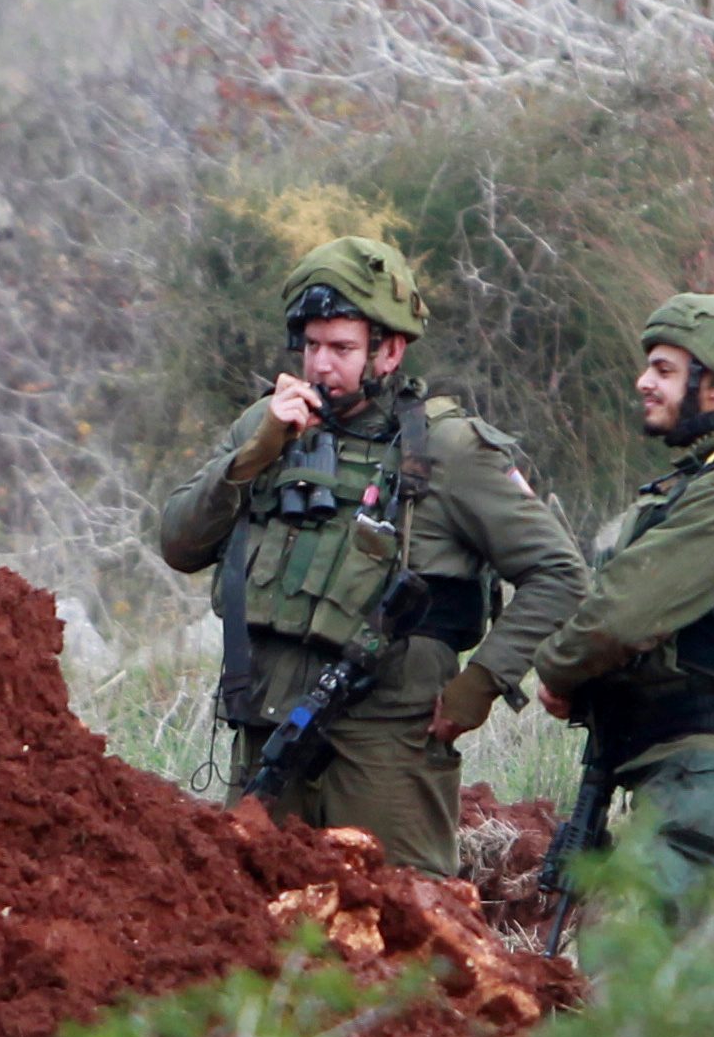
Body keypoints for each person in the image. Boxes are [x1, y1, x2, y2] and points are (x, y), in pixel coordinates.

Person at [157, 236, 588, 875]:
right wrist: (257, 453)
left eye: (342, 349)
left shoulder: (448, 449)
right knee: (250, 925)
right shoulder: (266, 426)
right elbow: (179, 543)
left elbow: (559, 573)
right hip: (266, 735)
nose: (321, 366)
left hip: (386, 747)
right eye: (311, 347)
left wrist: (483, 682)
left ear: (389, 351)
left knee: (405, 935)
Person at [532, 295, 714, 897]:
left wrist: (558, 671)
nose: (644, 383)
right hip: (691, 763)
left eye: (664, 370)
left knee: (690, 958)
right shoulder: (710, 481)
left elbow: (624, 614)